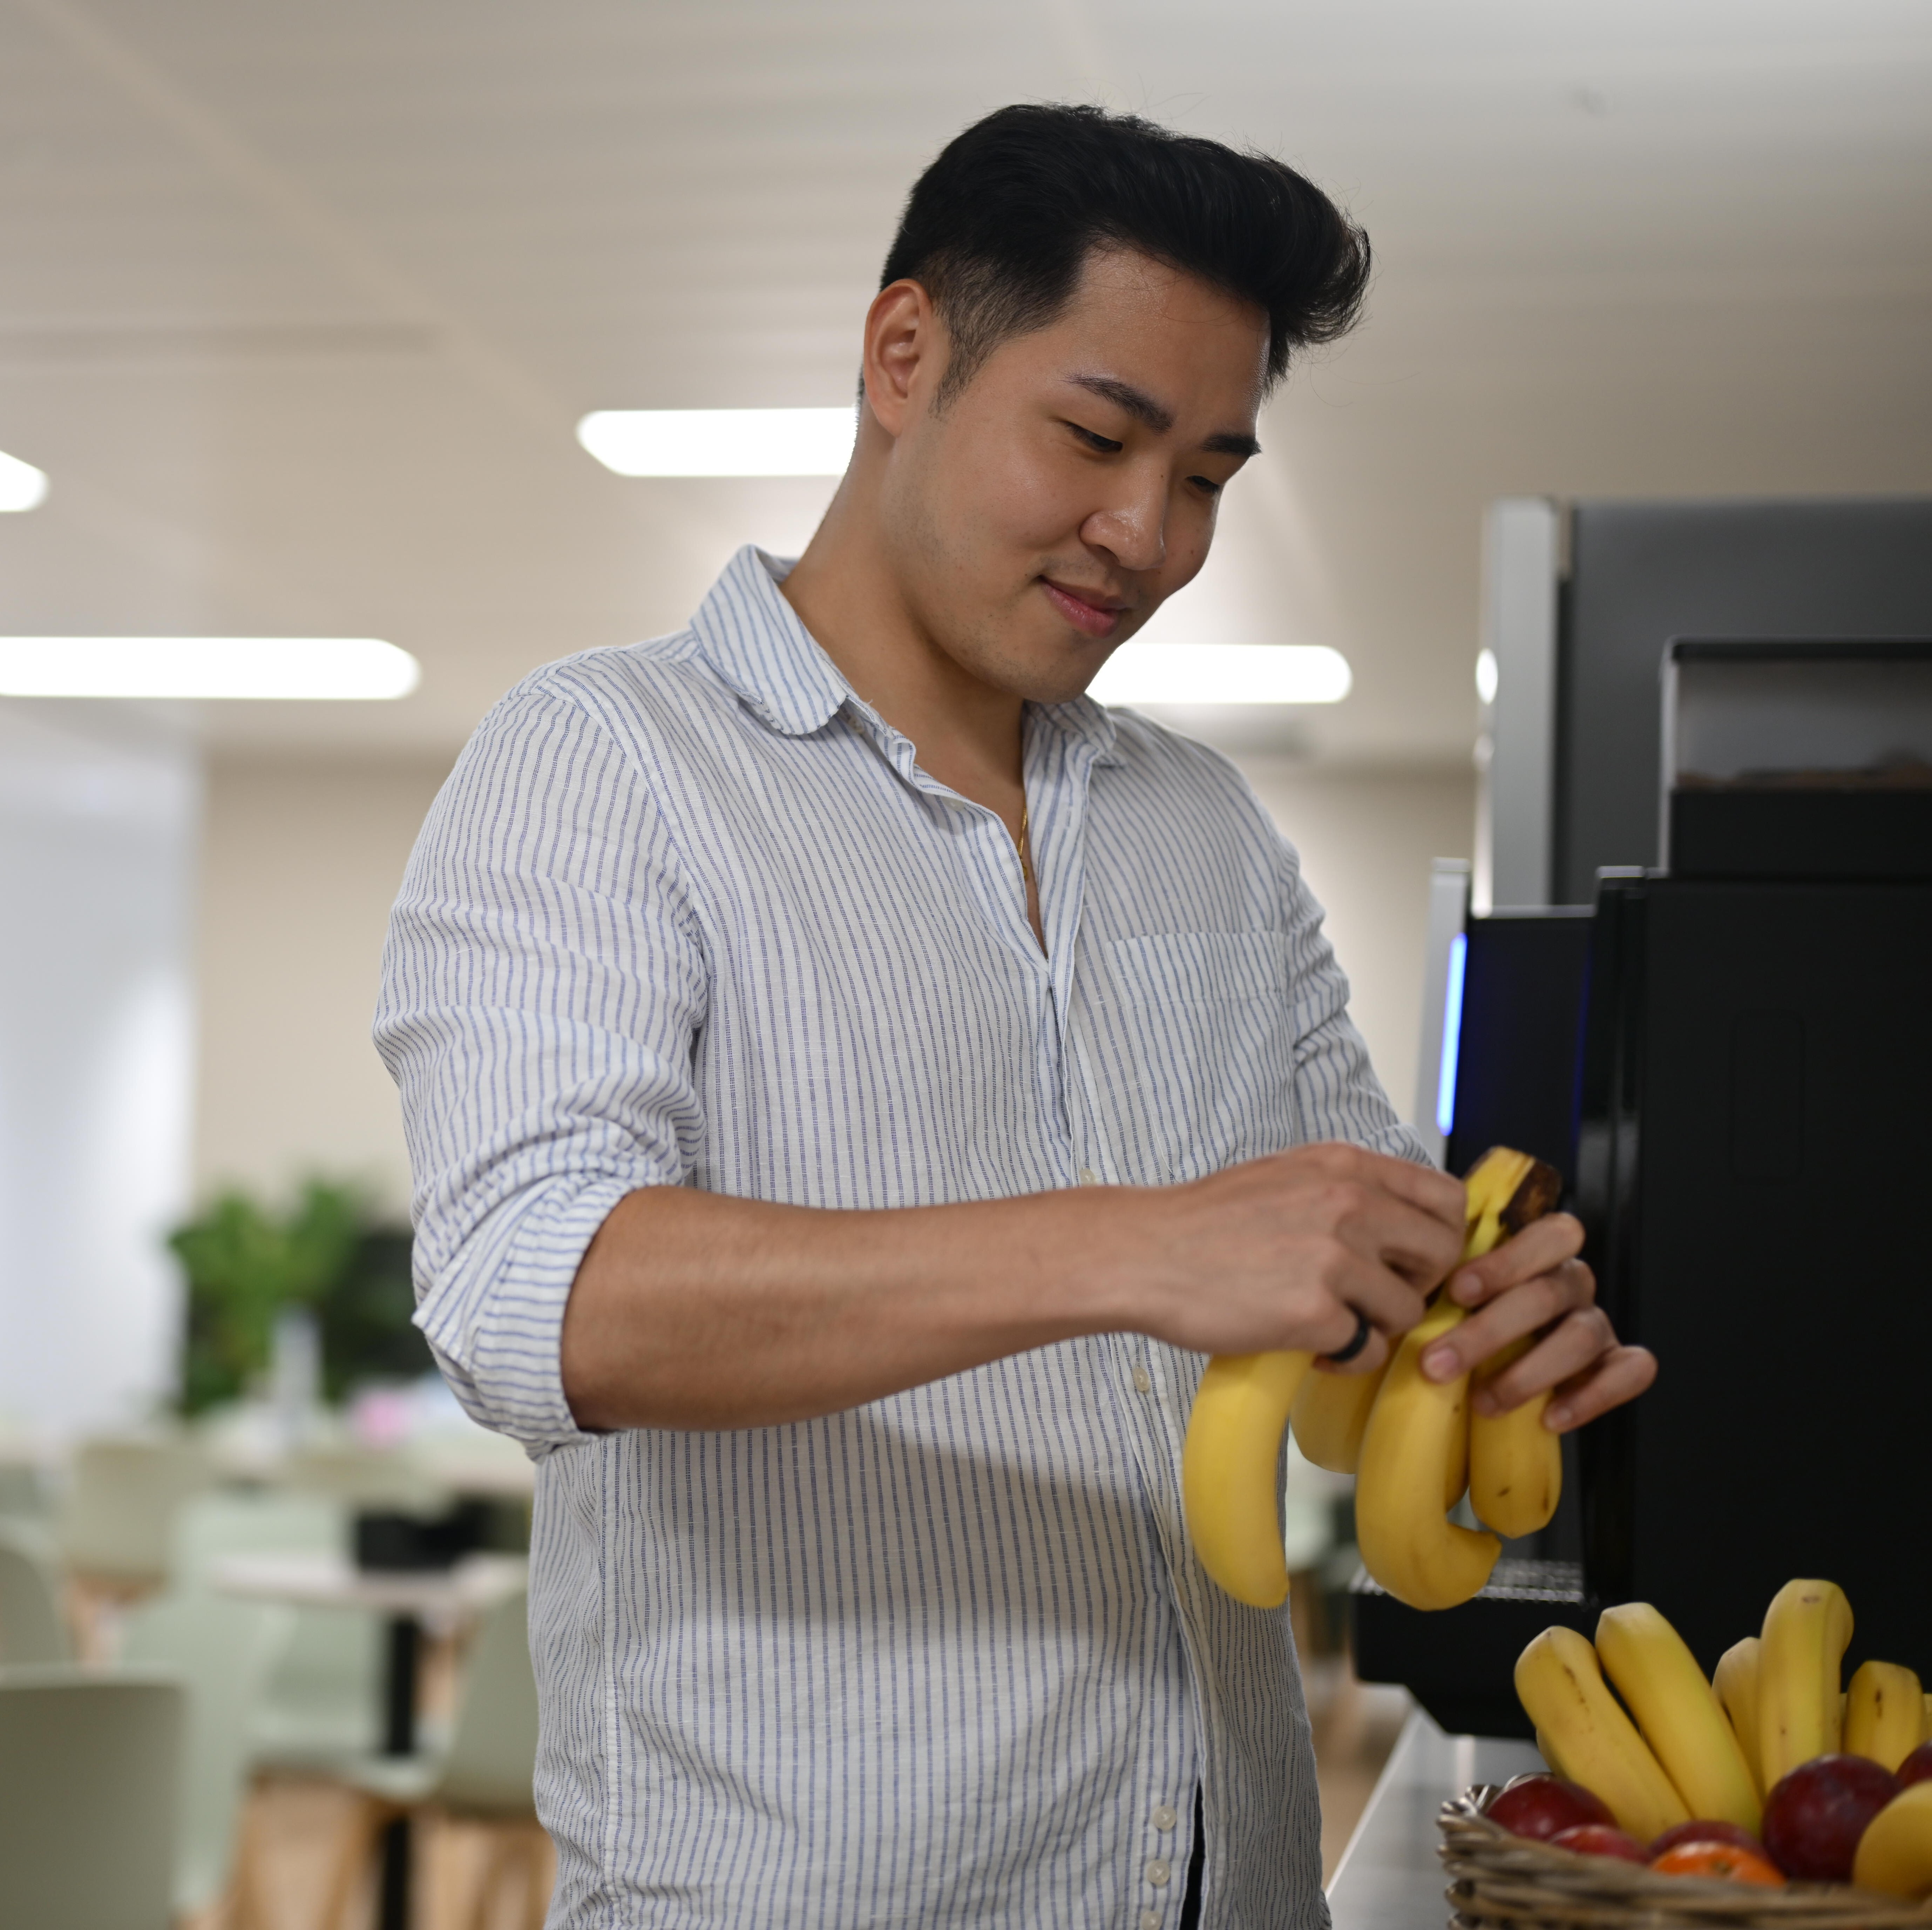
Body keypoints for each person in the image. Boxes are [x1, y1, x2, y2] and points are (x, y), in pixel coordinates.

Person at [376, 103, 1655, 1930]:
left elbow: (1334, 1328)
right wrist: (1132, 1249)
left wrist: (1470, 1332)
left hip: (1227, 1888)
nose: (1146, 533)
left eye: (1207, 475)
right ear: (905, 354)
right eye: (1095, 434)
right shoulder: (602, 767)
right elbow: (535, 1299)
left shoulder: (1202, 827)